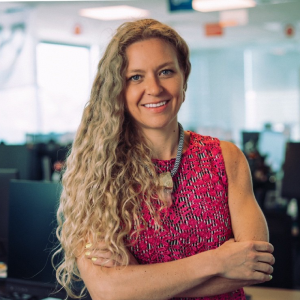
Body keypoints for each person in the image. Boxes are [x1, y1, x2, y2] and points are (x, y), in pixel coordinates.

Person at [54, 19, 275, 300]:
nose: (155, 88)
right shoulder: (98, 171)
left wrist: (141, 284)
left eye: (166, 71)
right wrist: (218, 261)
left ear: (184, 76)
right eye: (136, 77)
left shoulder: (225, 157)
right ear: (118, 89)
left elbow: (255, 268)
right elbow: (108, 290)